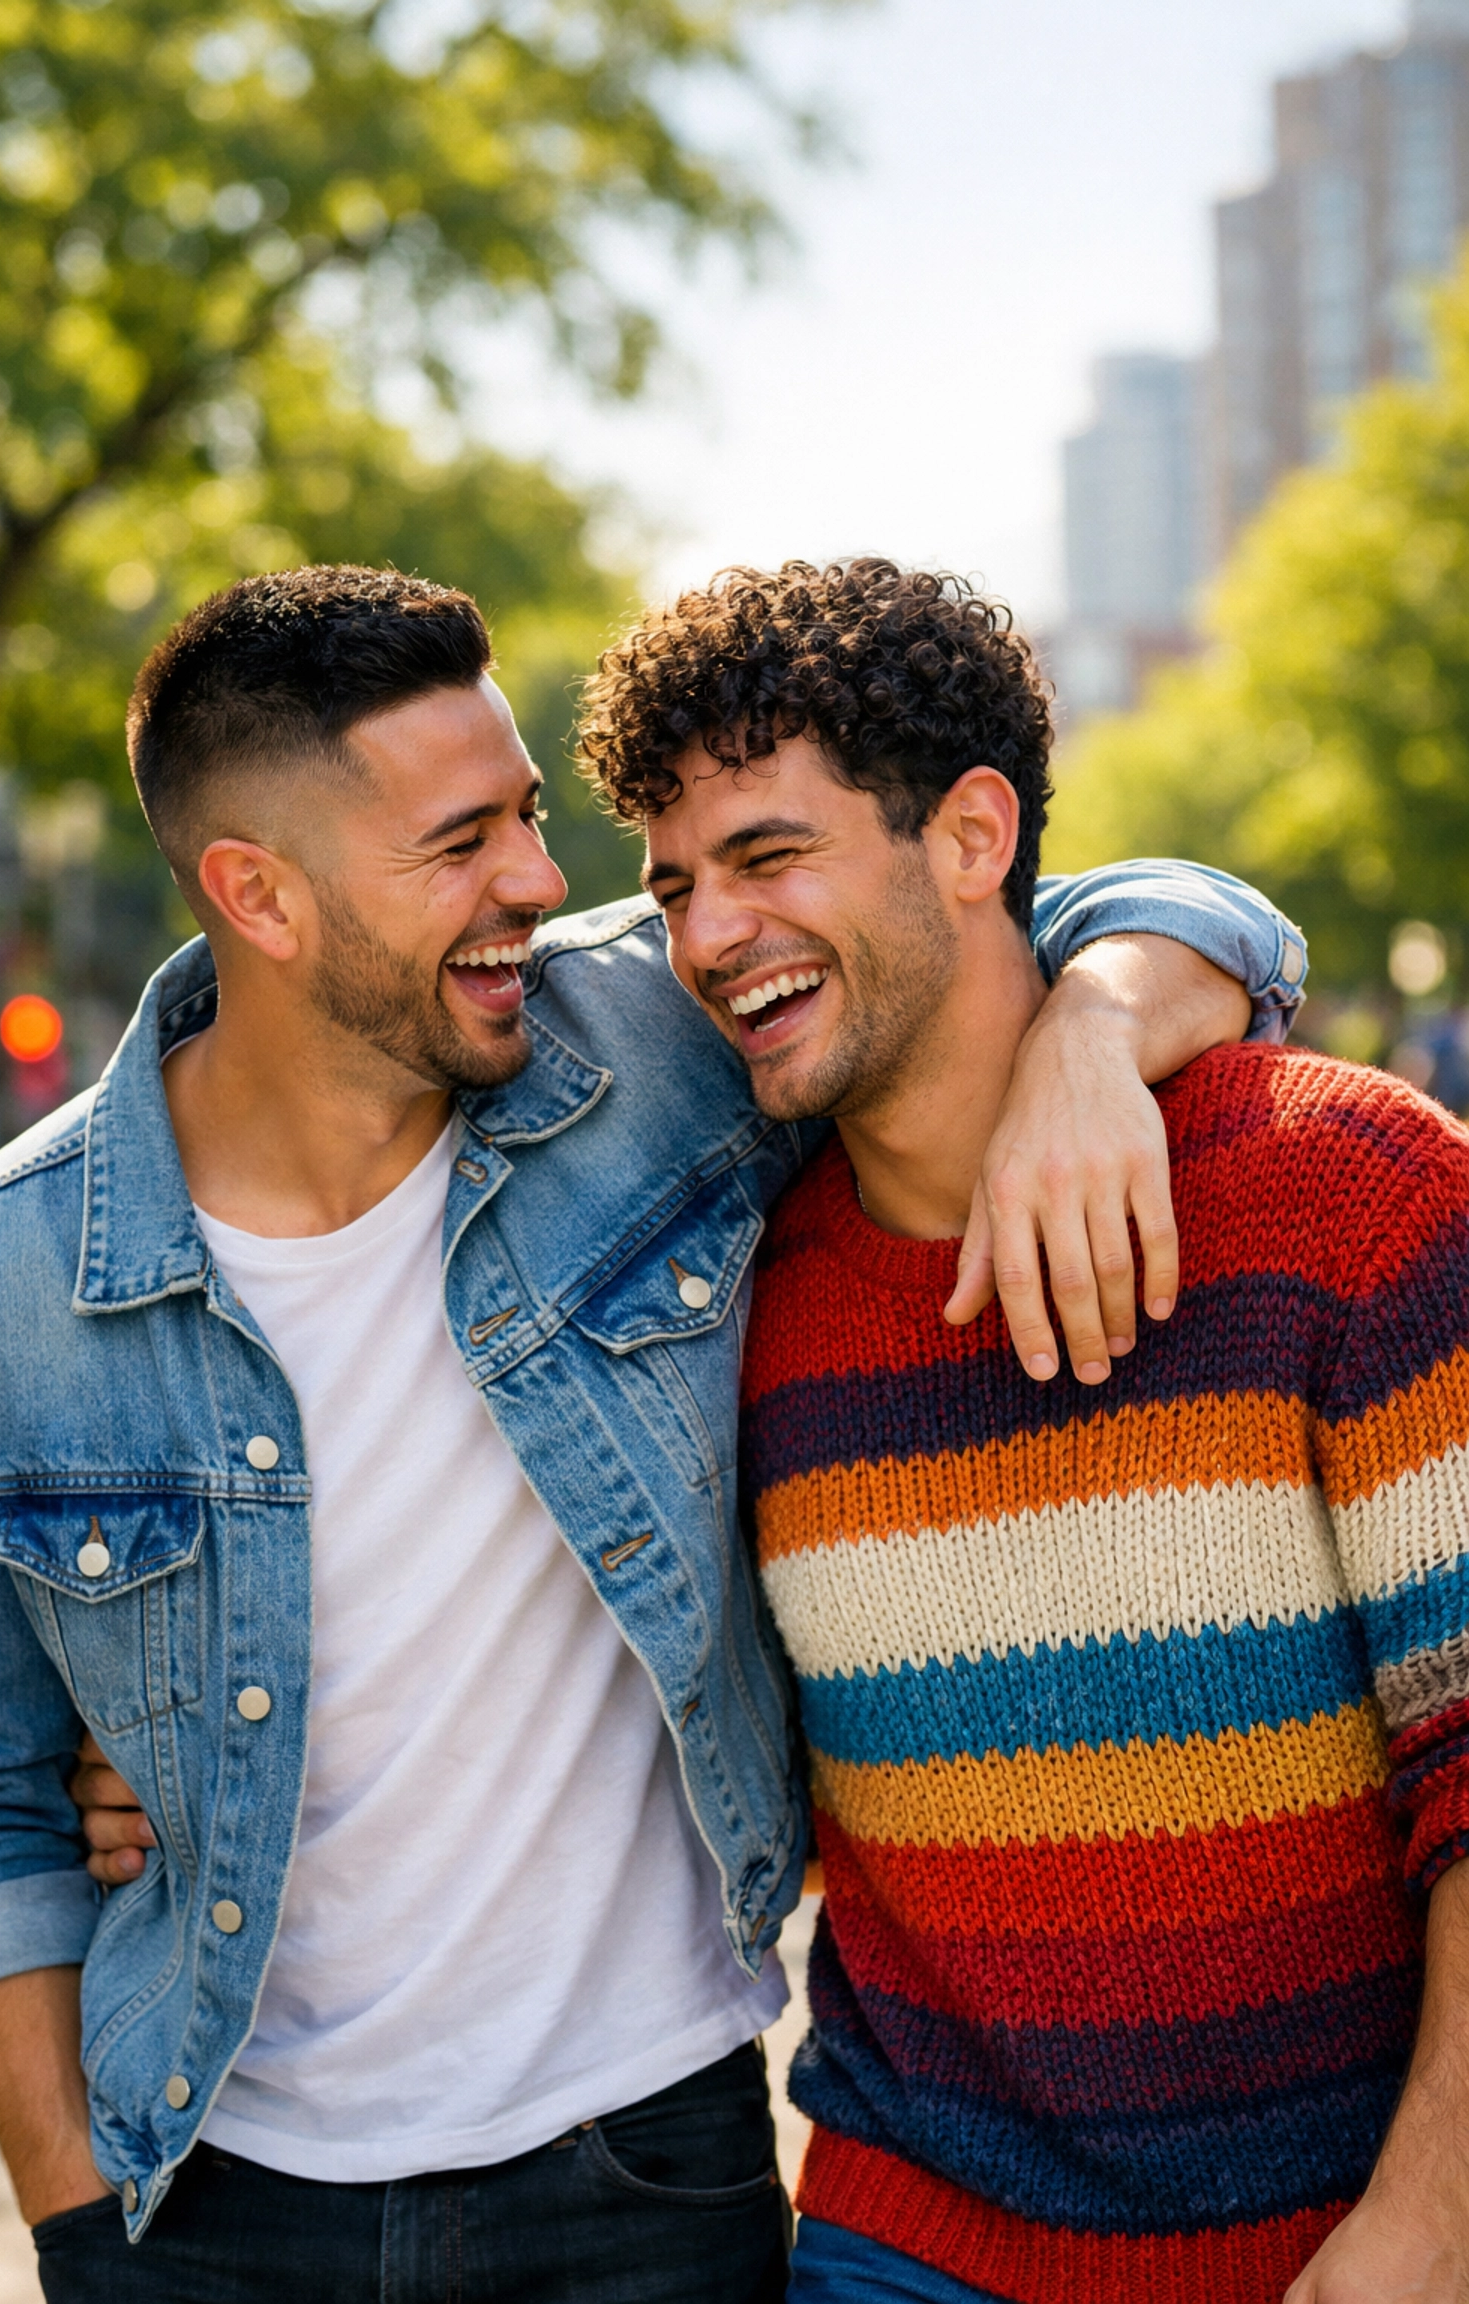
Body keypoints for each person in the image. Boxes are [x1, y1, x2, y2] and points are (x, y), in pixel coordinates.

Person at [0, 564, 1303, 2304]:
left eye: (525, 814)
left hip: (645, 2176)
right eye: (462, 843)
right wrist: (70, 2223)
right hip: (209, 2208)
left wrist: (1096, 1039)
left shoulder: (651, 1042)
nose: (540, 879)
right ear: (255, 896)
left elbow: (1034, 908)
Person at [576, 556, 1469, 2304]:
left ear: (975, 839)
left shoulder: (1349, 1198)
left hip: (1347, 2243)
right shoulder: (736, 1307)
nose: (705, 939)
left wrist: (1426, 2232)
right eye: (674, 886)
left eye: (768, 858)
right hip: (902, 2243)